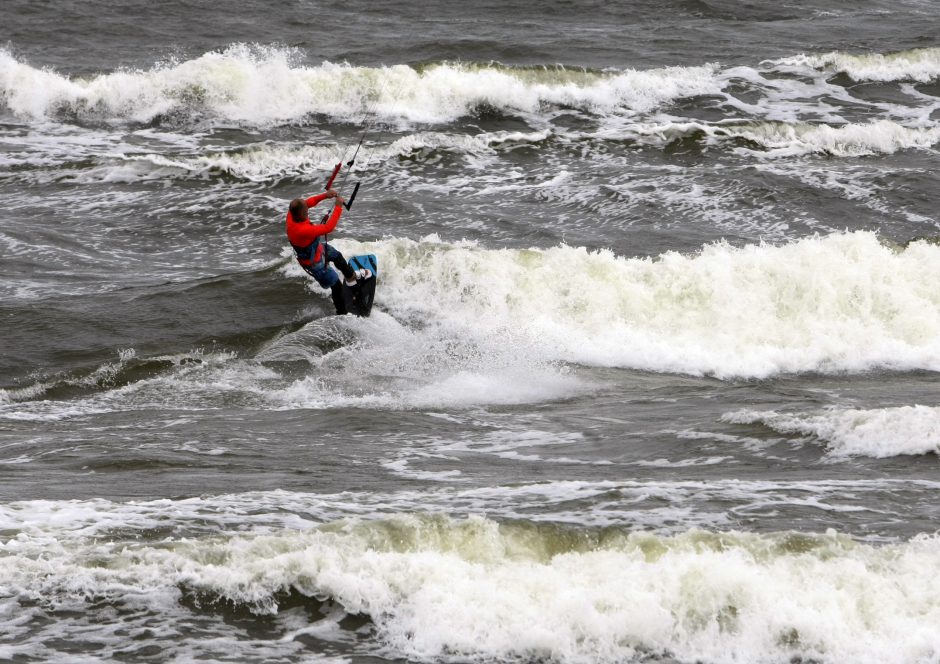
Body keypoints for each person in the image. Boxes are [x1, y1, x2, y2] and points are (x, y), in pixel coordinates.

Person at [286, 188, 372, 314]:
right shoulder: (302, 229)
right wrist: (338, 207)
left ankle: (351, 276)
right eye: (306, 211)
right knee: (336, 286)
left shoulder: (291, 214)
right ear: (303, 214)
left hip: (317, 248)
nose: (308, 210)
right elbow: (328, 227)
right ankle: (342, 313)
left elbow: (308, 202)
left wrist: (325, 195)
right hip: (314, 263)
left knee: (337, 256)